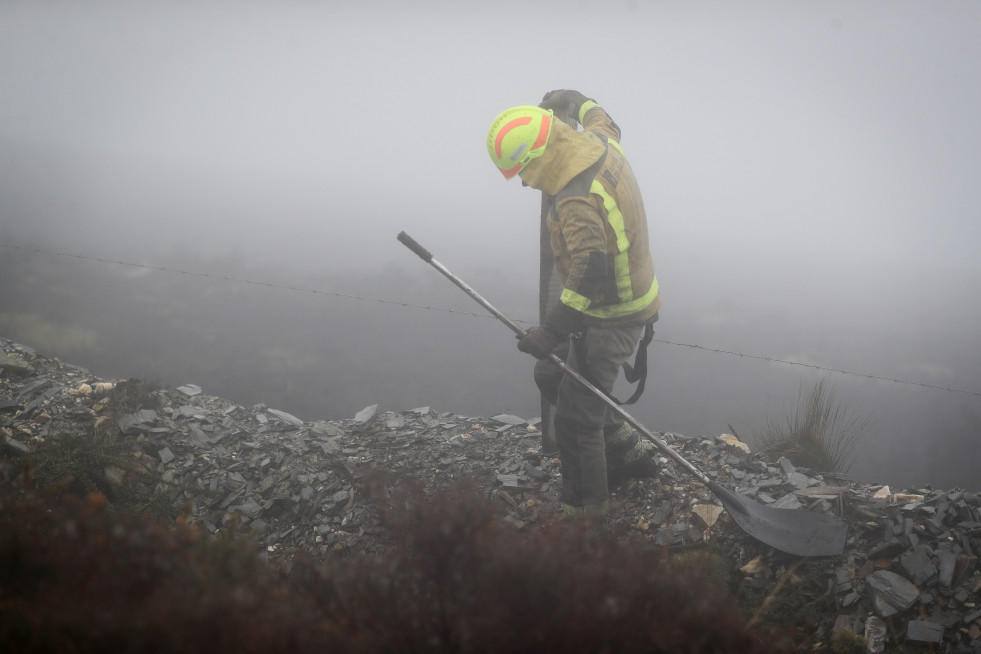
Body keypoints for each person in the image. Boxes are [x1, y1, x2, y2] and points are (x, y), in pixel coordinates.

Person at [486, 90, 661, 517]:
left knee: (575, 420)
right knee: (551, 374)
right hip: (617, 304)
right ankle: (623, 450)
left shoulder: (574, 198)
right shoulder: (601, 143)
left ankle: (588, 519)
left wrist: (551, 332)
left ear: (541, 154)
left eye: (524, 170)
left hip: (613, 315)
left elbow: (590, 270)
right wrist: (571, 96)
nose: (525, 182)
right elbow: (601, 116)